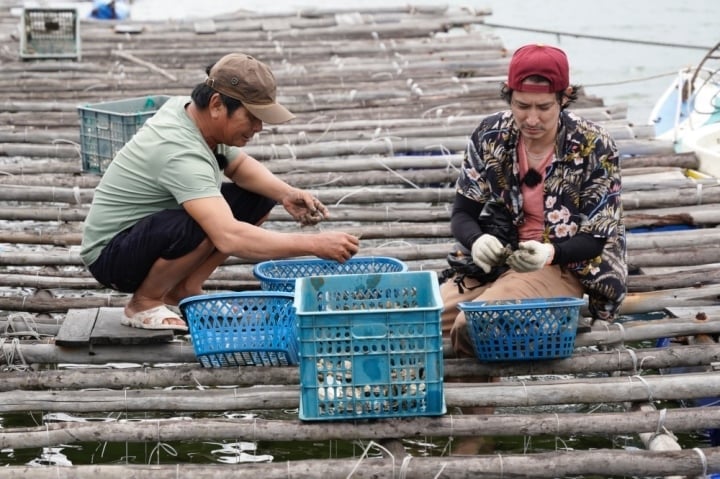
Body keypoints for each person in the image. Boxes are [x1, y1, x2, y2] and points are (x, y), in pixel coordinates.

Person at [80, 53, 360, 331]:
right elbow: (228, 237)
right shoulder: (180, 151)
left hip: (149, 231)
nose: (259, 127)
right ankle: (144, 302)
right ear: (216, 105)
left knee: (258, 198)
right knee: (204, 225)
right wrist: (315, 245)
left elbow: (238, 167)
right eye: (252, 117)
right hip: (112, 256)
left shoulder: (194, 114)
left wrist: (285, 193)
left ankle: (185, 288)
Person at [440, 44, 627, 453]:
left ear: (563, 98)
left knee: (474, 324)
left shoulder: (595, 144)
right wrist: (478, 240)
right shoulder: (490, 134)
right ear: (510, 96)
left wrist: (549, 253)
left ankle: (474, 434)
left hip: (569, 263)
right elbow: (462, 212)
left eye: (544, 107)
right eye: (522, 105)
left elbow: (596, 237)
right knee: (430, 318)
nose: (532, 118)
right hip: (498, 258)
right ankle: (467, 420)